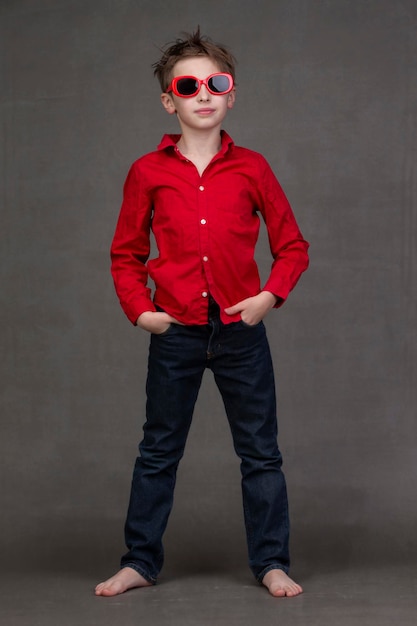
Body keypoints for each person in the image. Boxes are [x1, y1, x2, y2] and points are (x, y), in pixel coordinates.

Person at [95, 28, 309, 599]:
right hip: (176, 332)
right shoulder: (148, 172)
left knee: (261, 453)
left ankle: (271, 562)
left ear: (231, 94)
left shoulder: (253, 168)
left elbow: (293, 246)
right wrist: (141, 312)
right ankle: (140, 559)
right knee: (158, 451)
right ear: (171, 101)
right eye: (189, 86)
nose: (204, 94)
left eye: (217, 83)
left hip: (241, 332)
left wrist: (268, 297)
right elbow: (126, 254)